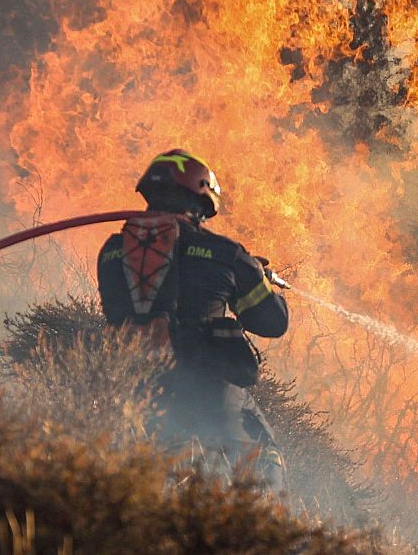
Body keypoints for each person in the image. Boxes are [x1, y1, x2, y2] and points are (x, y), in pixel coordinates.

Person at [95, 149, 289, 489]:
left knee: (144, 481)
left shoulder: (111, 252)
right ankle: (257, 531)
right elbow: (272, 322)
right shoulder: (225, 253)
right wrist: (254, 274)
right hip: (210, 392)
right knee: (263, 459)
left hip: (134, 394)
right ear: (201, 199)